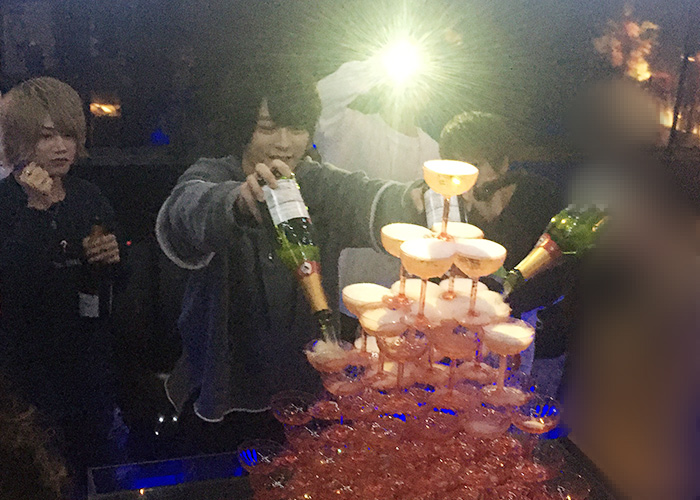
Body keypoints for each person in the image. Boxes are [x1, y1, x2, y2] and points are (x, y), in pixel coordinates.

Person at [155, 63, 424, 452]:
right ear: (242, 126)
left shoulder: (316, 183)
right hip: (223, 392)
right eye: (268, 128)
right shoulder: (213, 174)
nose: (284, 143)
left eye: (297, 129)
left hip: (305, 390)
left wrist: (414, 199)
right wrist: (236, 204)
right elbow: (182, 214)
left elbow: (363, 195)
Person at [0, 77, 123, 495]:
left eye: (68, 135)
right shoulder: (6, 201)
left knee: (93, 469)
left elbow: (118, 285)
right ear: (19, 140)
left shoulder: (88, 196)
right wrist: (36, 211)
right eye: (46, 136)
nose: (61, 147)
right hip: (26, 372)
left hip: (88, 364)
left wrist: (113, 257)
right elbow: (11, 288)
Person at [313, 55, 442, 336]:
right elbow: (320, 99)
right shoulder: (350, 126)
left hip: (398, 301)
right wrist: (376, 66)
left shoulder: (433, 150)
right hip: (336, 293)